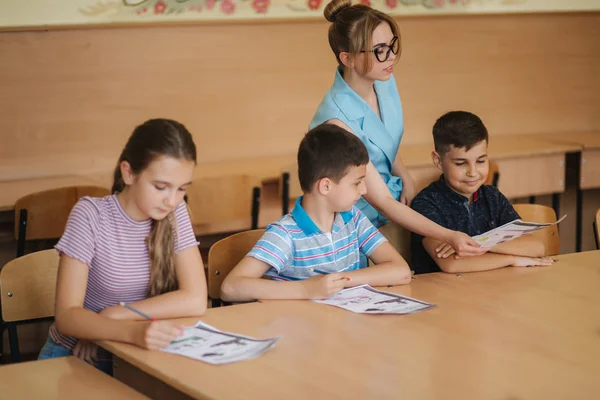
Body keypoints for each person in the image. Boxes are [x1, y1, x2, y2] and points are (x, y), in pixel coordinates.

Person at [309, 0, 485, 258]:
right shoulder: (337, 119)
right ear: (347, 58)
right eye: (379, 50)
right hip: (347, 225)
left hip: (388, 209)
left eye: (392, 46)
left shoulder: (382, 79)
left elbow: (384, 140)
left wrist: (404, 174)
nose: (391, 57)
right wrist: (447, 234)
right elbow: (381, 201)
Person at [38, 119, 207, 374]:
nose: (171, 200)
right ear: (128, 173)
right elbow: (67, 315)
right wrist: (130, 331)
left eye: (182, 188)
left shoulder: (175, 213)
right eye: (160, 187)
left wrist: (116, 314)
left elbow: (195, 299)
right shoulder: (90, 214)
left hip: (134, 356)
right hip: (75, 356)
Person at [220, 124, 412, 302]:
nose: (363, 190)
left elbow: (401, 271)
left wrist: (339, 281)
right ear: (326, 186)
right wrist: (306, 290)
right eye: (357, 182)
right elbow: (230, 288)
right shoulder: (286, 234)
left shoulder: (353, 218)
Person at [410, 111, 554, 274]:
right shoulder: (426, 203)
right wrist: (512, 258)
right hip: (442, 293)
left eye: (480, 161)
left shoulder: (492, 197)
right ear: (438, 161)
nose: (473, 172)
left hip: (490, 288)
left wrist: (481, 244)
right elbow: (452, 264)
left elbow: (535, 248)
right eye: (460, 163)